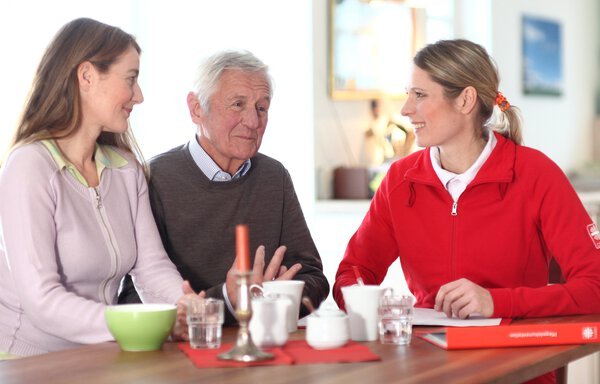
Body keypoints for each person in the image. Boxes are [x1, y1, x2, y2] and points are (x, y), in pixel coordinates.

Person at [334, 39, 600, 320]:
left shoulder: (536, 174)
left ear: (465, 100)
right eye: (408, 94)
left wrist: (496, 302)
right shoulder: (399, 181)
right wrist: (366, 300)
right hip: (430, 357)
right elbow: (352, 273)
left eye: (420, 95)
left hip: (517, 355)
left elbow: (595, 286)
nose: (405, 109)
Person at [0, 18, 196, 357]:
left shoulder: (125, 169)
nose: (139, 95)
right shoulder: (29, 167)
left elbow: (151, 267)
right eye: (131, 79)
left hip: (100, 355)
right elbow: (41, 300)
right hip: (28, 363)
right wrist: (134, 322)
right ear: (87, 76)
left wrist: (186, 305)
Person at [118, 50, 329, 325]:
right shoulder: (152, 179)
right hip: (187, 353)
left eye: (261, 108)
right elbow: (133, 302)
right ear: (196, 109)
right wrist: (227, 301)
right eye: (238, 104)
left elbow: (314, 277)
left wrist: (275, 299)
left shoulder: (274, 177)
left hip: (263, 345)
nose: (253, 122)